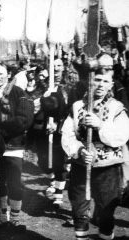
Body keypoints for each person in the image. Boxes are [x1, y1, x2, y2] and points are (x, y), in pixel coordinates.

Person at [61, 70, 129, 240]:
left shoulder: (116, 108)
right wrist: (80, 151)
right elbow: (67, 134)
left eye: (105, 81)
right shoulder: (77, 107)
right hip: (81, 166)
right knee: (79, 210)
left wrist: (100, 126)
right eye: (97, 80)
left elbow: (123, 135)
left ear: (111, 85)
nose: (100, 85)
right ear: (90, 82)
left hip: (108, 168)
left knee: (106, 212)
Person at [0, 61, 34, 230]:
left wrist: (1, 131)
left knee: (14, 182)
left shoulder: (17, 93)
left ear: (8, 75)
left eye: (1, 73)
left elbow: (24, 119)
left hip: (13, 145)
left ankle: (14, 218)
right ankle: (2, 218)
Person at [37, 58, 70, 207]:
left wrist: (58, 124)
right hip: (44, 128)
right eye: (53, 66)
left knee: (60, 161)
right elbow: (36, 106)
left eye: (59, 66)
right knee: (44, 160)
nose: (56, 69)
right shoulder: (44, 85)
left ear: (63, 67)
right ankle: (52, 181)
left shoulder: (68, 86)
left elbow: (70, 109)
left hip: (62, 129)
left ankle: (58, 193)